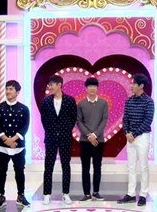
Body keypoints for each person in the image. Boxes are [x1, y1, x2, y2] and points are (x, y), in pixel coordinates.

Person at [0, 79, 30, 210]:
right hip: (1, 147)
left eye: (11, 89)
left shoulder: (24, 109)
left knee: (19, 171)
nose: (8, 91)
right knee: (1, 171)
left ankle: (21, 195)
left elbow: (25, 126)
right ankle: (1, 195)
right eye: (7, 89)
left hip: (18, 146)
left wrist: (13, 139)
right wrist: (6, 140)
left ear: (17, 92)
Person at [117, 73, 154, 206]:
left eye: (133, 83)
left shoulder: (148, 101)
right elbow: (125, 119)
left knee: (143, 166)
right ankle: (131, 194)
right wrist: (127, 132)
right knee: (131, 166)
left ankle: (143, 194)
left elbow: (147, 121)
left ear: (141, 86)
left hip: (142, 136)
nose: (131, 85)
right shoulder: (129, 100)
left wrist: (134, 134)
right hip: (130, 138)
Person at [40, 75, 77, 204]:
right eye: (49, 85)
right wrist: (51, 131)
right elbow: (44, 119)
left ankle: (66, 194)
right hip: (50, 137)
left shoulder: (70, 100)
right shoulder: (45, 101)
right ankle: (47, 194)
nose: (49, 87)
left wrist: (64, 130)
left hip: (65, 137)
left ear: (59, 85)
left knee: (65, 165)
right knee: (48, 166)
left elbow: (73, 118)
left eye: (51, 85)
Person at [76, 77, 109, 201]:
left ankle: (96, 192)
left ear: (97, 88)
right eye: (90, 86)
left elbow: (104, 120)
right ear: (86, 88)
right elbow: (79, 121)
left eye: (94, 86)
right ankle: (86, 193)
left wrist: (95, 135)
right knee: (85, 167)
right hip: (84, 141)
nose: (92, 88)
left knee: (97, 167)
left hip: (98, 141)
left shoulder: (103, 103)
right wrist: (88, 135)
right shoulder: (80, 104)